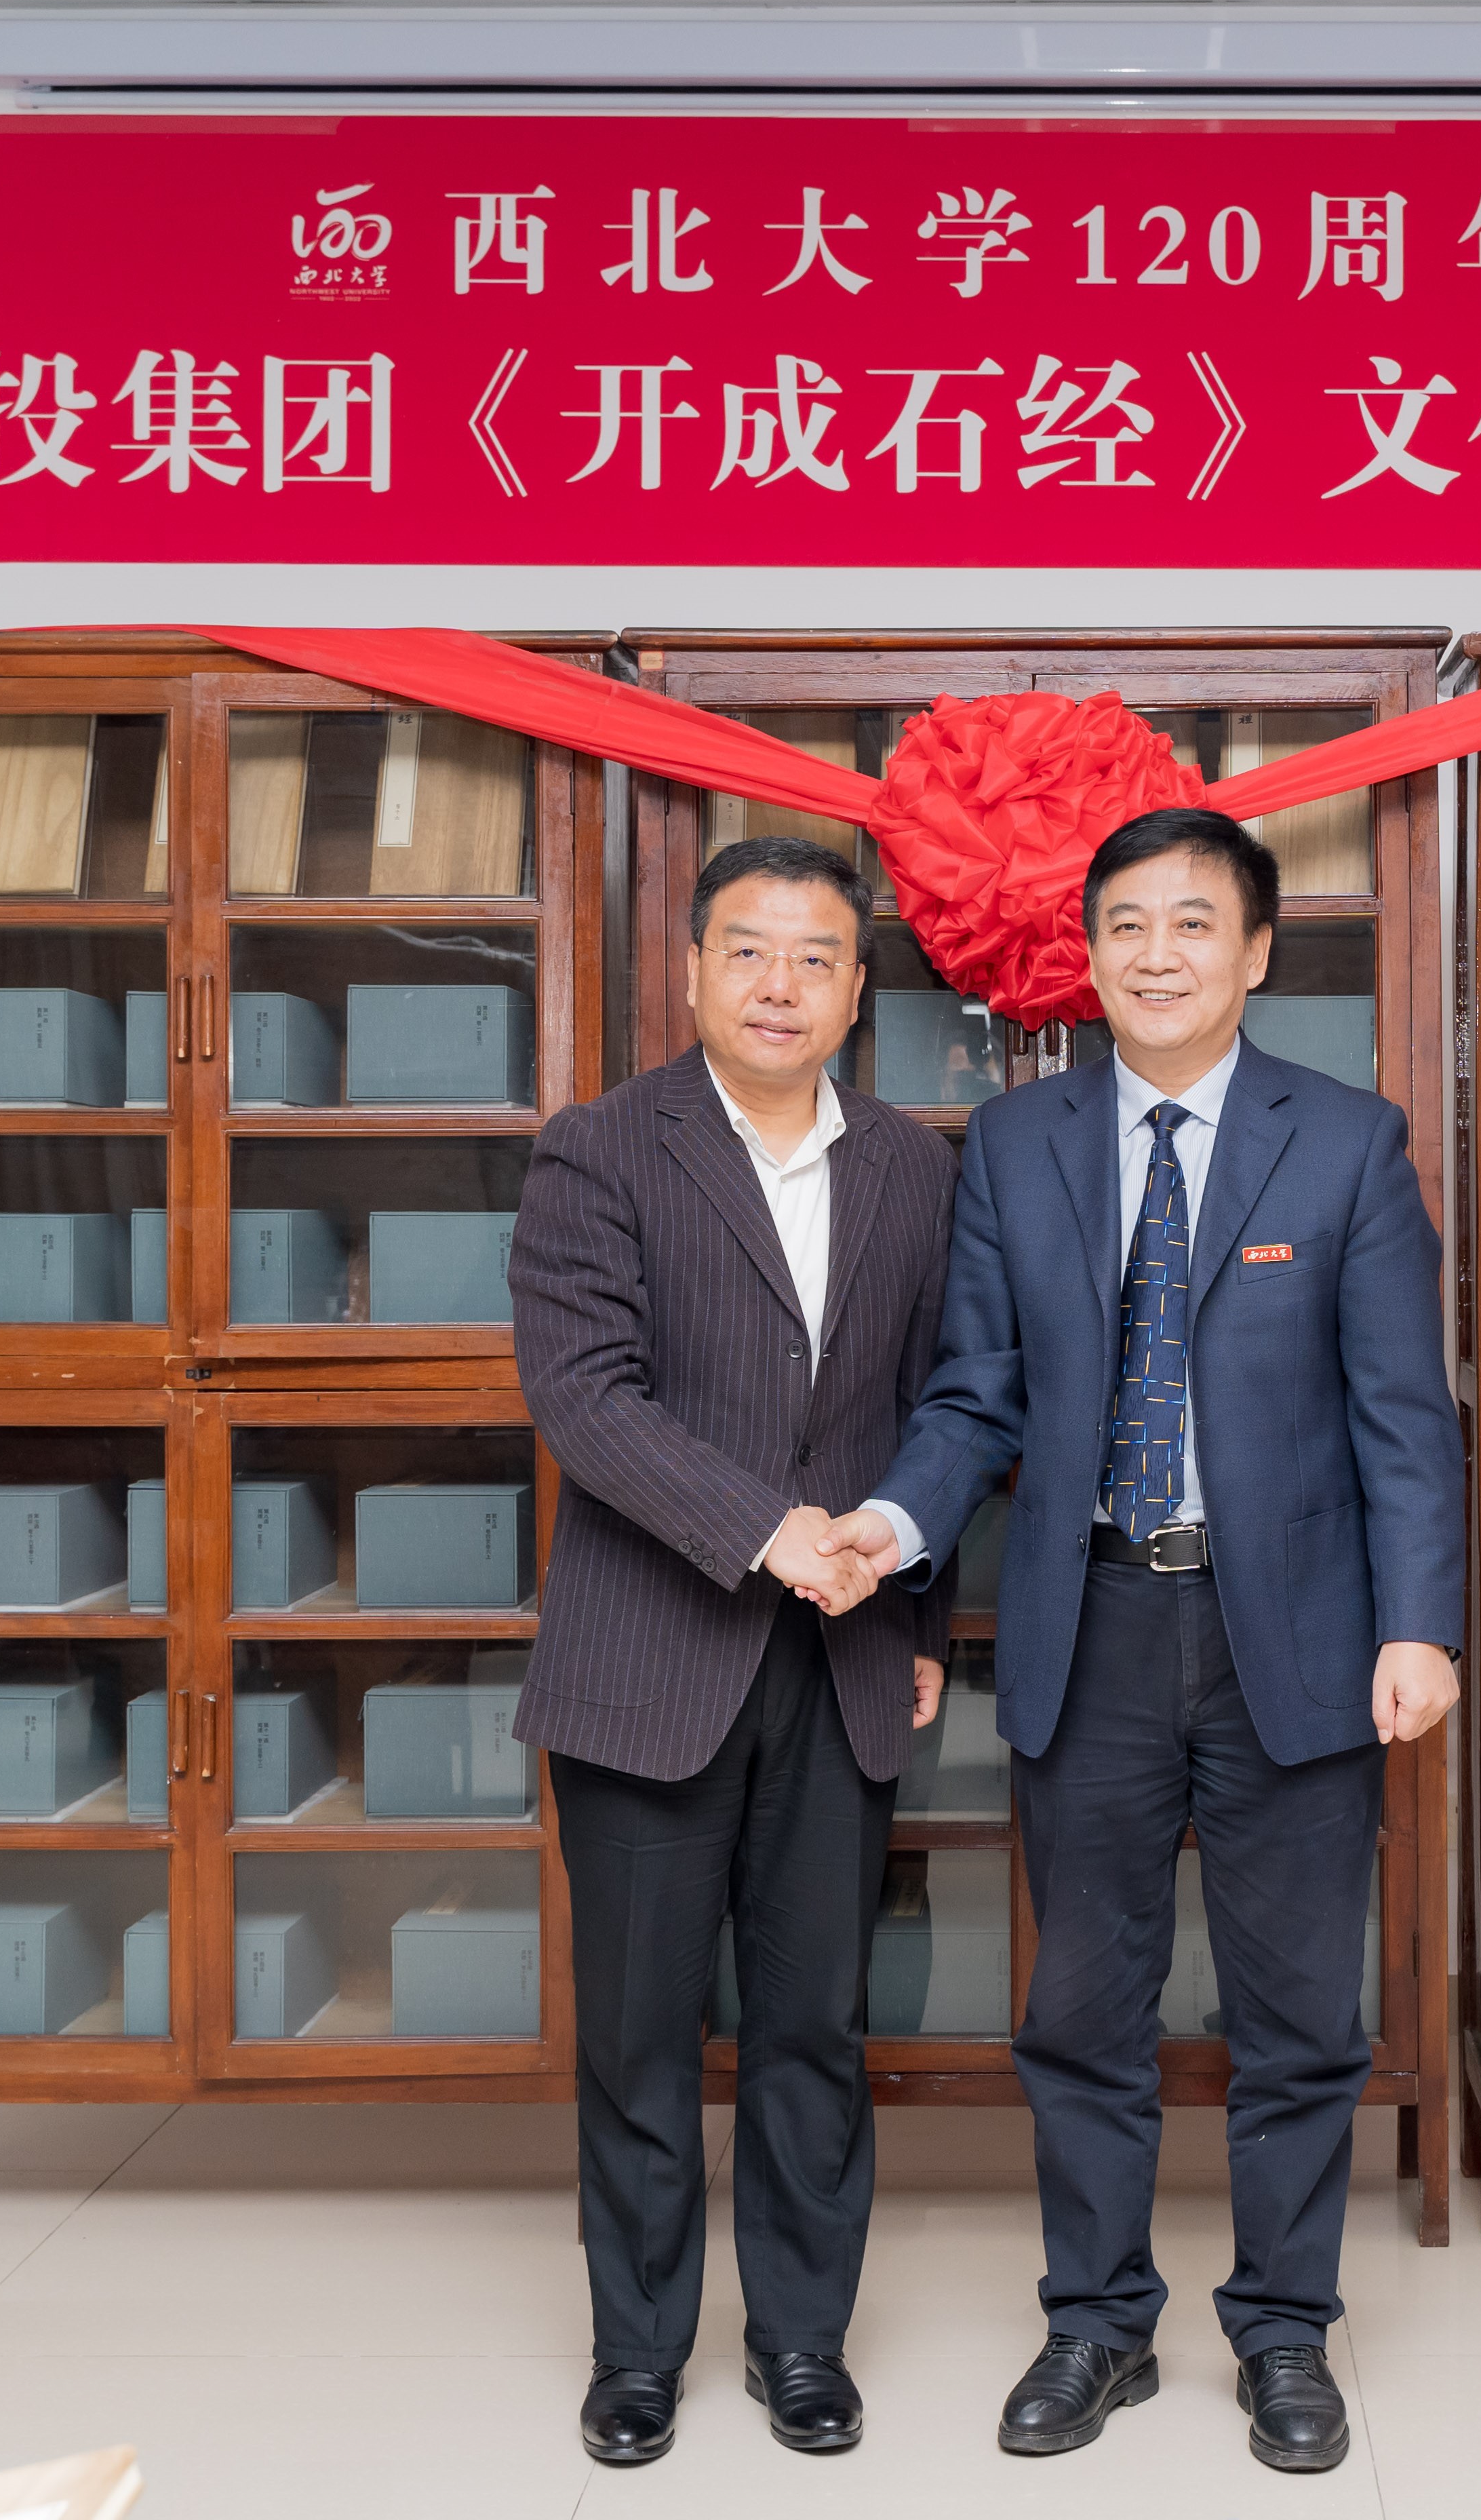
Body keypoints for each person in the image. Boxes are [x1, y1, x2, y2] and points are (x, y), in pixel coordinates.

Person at [821, 807, 1465, 2476]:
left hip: (1296, 1634)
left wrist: (1420, 1623)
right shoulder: (1014, 1143)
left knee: (1299, 2011)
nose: (1157, 953)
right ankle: (1096, 2321)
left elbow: (1404, 1416)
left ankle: (1284, 2331)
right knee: (1082, 2006)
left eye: (1193, 922)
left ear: (1256, 952)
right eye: (1126, 924)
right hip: (1092, 1615)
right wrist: (892, 1523)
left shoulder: (1347, 1141)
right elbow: (975, 1394)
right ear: (1088, 955)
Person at [509, 836, 961, 2468]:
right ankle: (638, 2351)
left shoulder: (914, 1165)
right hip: (650, 1653)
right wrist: (769, 1527)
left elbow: (937, 1405)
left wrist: (918, 1607)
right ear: (692, 969)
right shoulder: (599, 1148)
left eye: (817, 956)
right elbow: (585, 1394)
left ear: (858, 987)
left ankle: (801, 2339)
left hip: (844, 1654)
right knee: (639, 2029)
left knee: (814, 2022)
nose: (782, 984)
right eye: (751, 950)